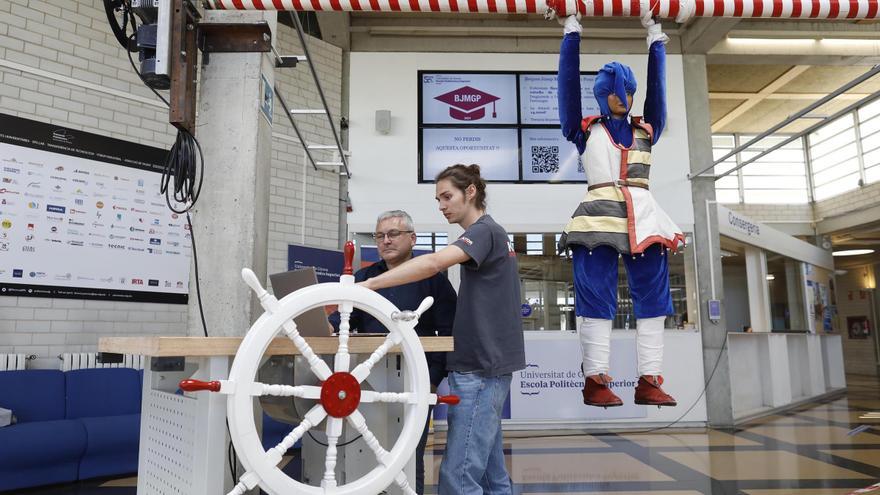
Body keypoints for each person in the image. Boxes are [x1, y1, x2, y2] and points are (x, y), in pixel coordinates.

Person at [360, 164, 525, 495]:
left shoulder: (483, 232)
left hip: (480, 368)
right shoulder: (491, 234)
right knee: (493, 476)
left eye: (447, 196)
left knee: (459, 477)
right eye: (438, 199)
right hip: (483, 367)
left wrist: (370, 283)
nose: (442, 205)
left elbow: (434, 263)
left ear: (471, 192)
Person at [556, 11, 683, 408]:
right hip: (597, 218)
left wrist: (656, 38)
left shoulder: (648, 128)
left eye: (627, 90)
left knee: (654, 298)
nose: (622, 97)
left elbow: (658, 90)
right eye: (615, 90)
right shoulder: (584, 129)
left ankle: (650, 379)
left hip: (645, 218)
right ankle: (595, 380)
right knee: (596, 297)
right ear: (603, 94)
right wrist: (571, 32)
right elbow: (566, 85)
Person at [329, 210, 457, 495]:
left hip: (417, 379)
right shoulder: (363, 278)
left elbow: (448, 332)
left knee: (411, 453)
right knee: (368, 450)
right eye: (380, 236)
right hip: (369, 380)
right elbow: (341, 323)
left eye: (393, 234)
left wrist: (433, 379)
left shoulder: (433, 279)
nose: (385, 241)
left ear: (412, 238)